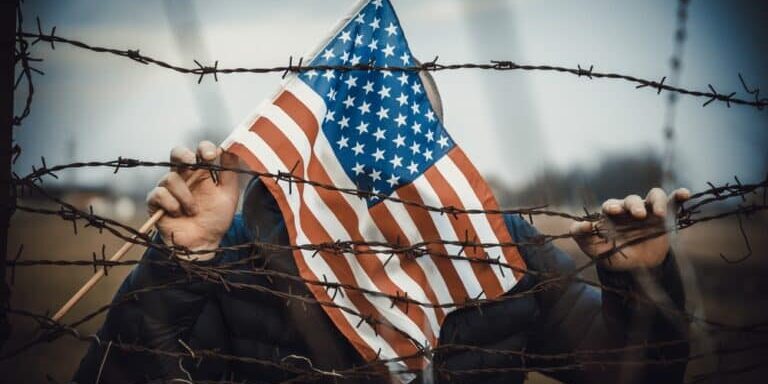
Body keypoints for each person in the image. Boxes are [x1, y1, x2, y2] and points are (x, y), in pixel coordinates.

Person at [73, 73, 691, 384]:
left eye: (400, 146)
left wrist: (641, 284)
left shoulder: (502, 261)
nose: (374, 171)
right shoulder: (243, 267)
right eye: (344, 146)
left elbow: (637, 370)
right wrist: (181, 262)